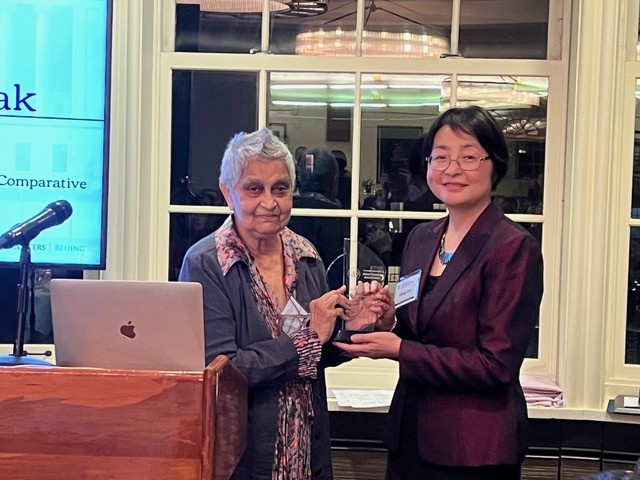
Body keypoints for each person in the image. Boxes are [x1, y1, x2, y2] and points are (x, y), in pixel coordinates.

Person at [336, 106, 544, 480]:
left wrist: (399, 349)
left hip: (473, 449)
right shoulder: (422, 238)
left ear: (494, 164)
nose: (452, 169)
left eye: (468, 156)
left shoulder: (512, 248)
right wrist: (387, 320)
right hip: (409, 435)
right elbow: (423, 330)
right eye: (441, 157)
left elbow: (494, 366)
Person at [178, 127, 381, 480]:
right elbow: (222, 369)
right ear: (229, 192)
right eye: (254, 188)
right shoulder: (206, 262)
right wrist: (308, 339)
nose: (269, 202)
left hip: (309, 453)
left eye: (280, 189)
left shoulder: (305, 255)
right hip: (243, 458)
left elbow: (318, 355)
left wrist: (352, 330)